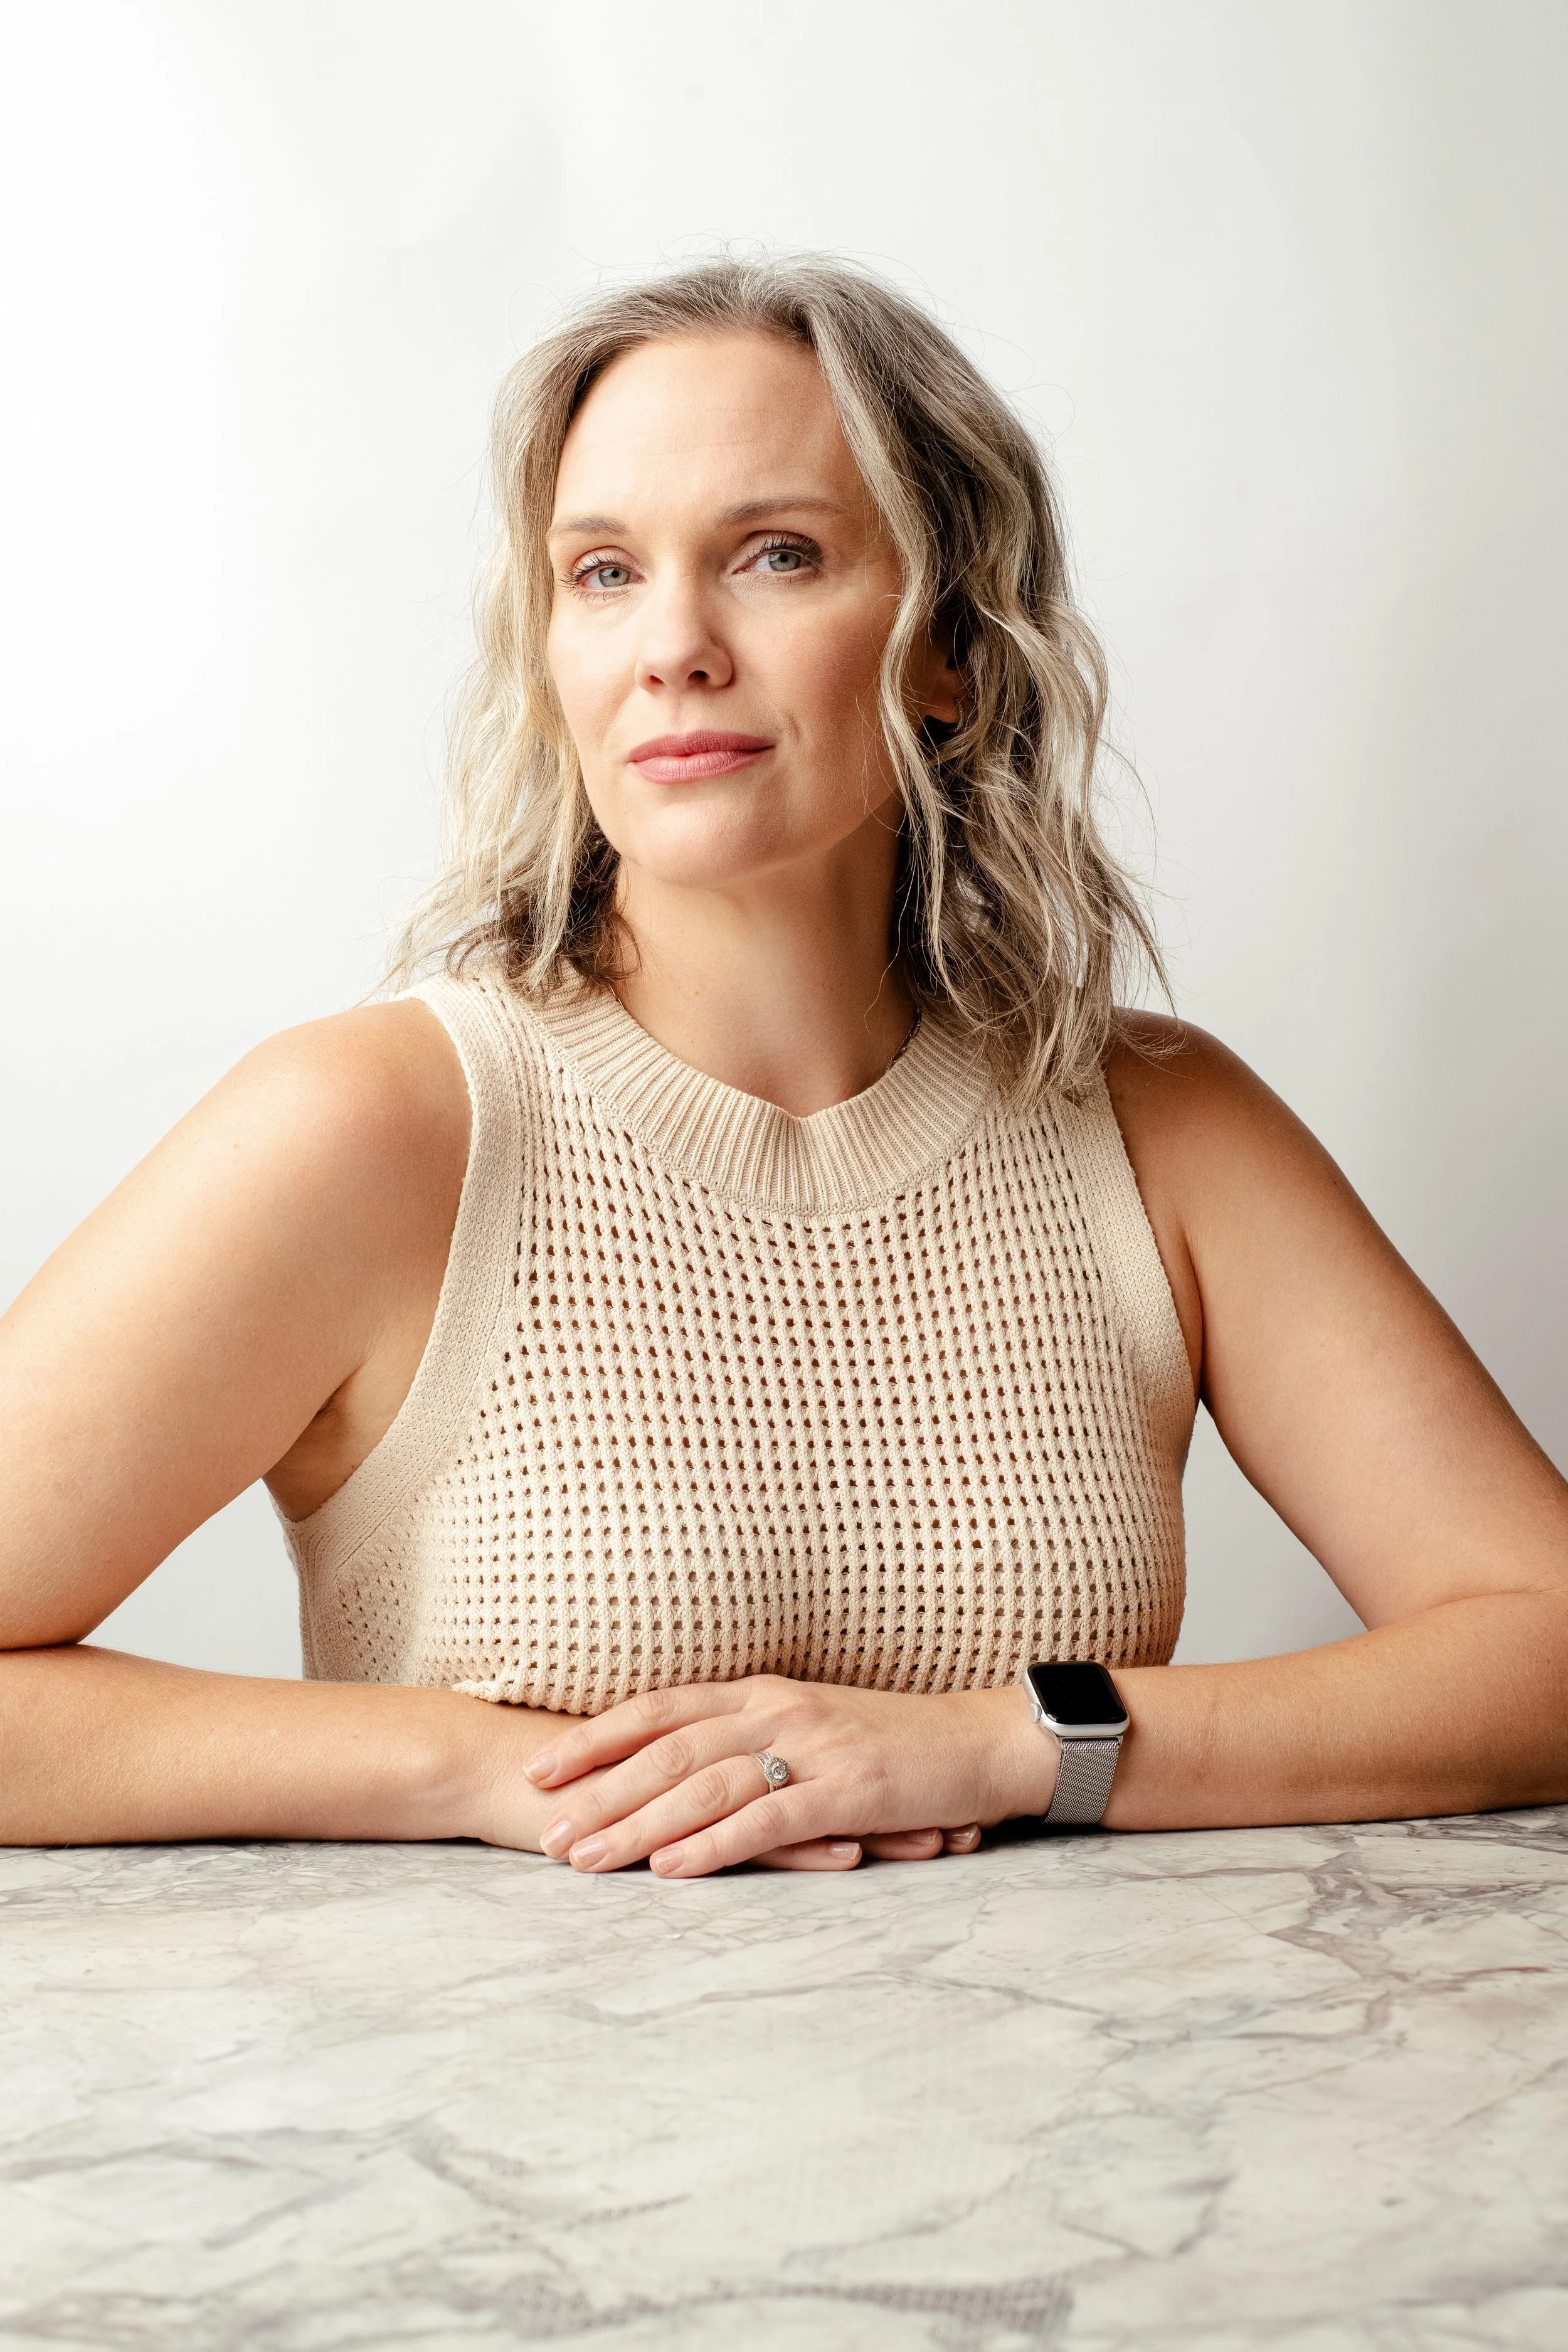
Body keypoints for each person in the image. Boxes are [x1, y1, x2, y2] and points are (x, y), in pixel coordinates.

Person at [2, 257, 1564, 1878]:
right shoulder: (373, 1131)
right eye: (602, 572)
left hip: (1089, 2118)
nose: (672, 642)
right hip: (523, 2126)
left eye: (774, 555)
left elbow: (1542, 1639)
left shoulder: (1163, 1129)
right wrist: (474, 1768)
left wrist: (1013, 1742)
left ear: (949, 647)